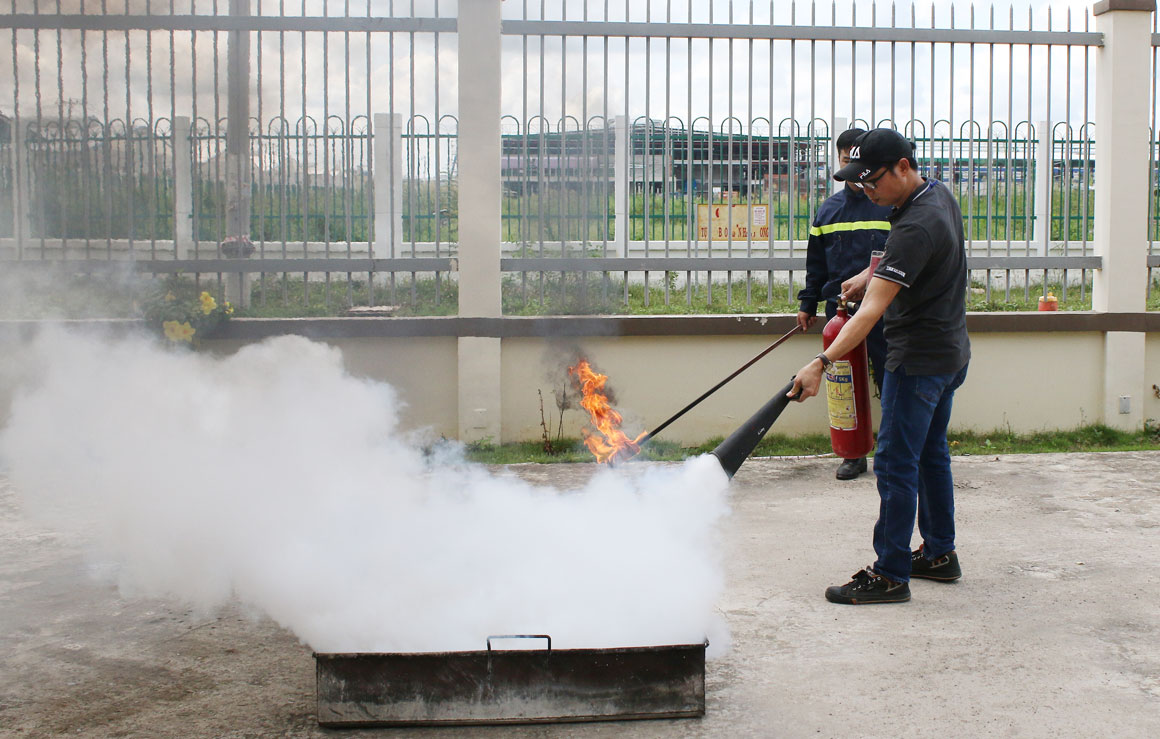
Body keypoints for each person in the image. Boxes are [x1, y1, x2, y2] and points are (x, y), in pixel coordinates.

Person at [788, 128, 971, 605]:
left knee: (892, 462)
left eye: (873, 182)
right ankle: (939, 554)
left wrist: (820, 363)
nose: (867, 192)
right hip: (949, 353)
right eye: (861, 183)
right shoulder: (935, 196)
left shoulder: (915, 225)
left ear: (903, 168)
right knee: (930, 454)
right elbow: (911, 258)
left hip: (917, 362)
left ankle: (890, 573)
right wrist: (870, 272)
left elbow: (870, 314)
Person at [797, 127, 892, 481]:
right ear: (838, 159)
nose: (853, 164)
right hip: (840, 313)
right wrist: (808, 303)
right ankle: (853, 454)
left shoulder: (888, 204)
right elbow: (815, 264)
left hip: (884, 311)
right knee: (843, 384)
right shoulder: (829, 210)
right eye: (846, 157)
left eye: (859, 157)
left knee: (889, 380)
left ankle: (891, 452)